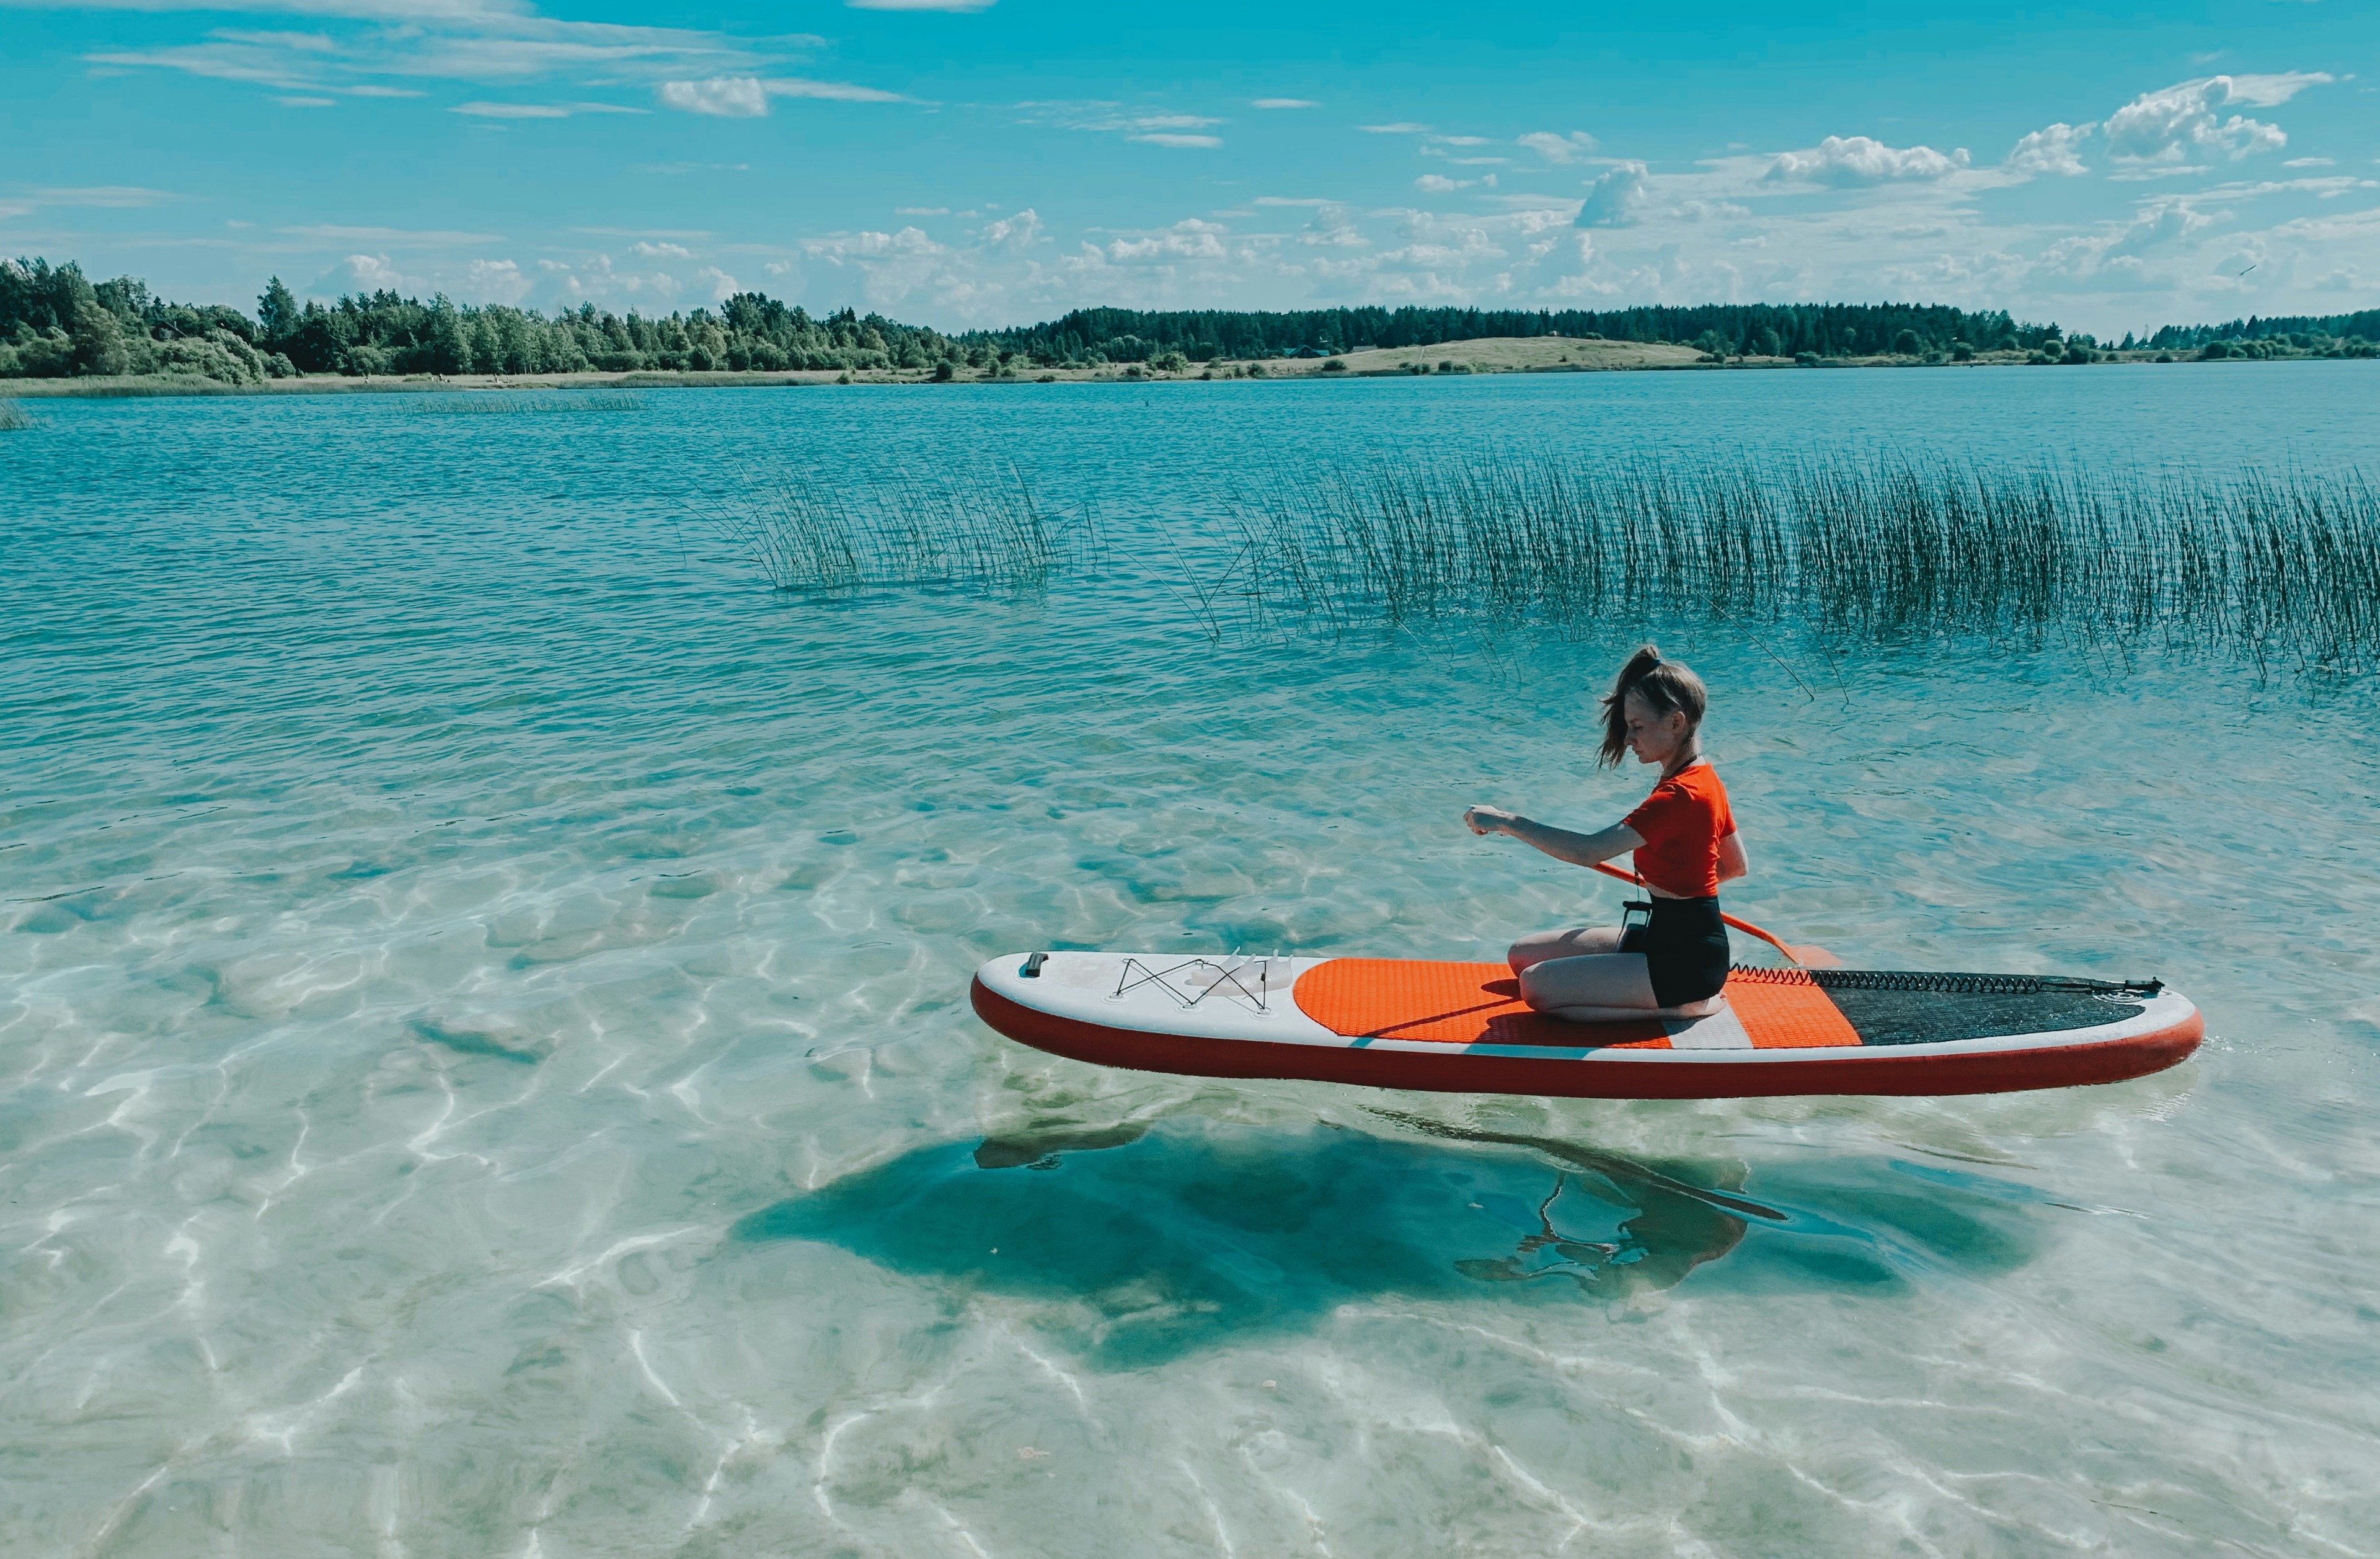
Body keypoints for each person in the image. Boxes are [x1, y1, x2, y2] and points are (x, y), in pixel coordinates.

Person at [1462, 647, 1746, 1021]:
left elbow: (1588, 851)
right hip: (1668, 937)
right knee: (1522, 955)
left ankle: (1684, 1007)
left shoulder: (1680, 795)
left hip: (1686, 966)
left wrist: (1507, 821)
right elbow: (1737, 865)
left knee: (1536, 987)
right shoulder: (1703, 776)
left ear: (1676, 723)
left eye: (1638, 727)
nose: (1629, 738)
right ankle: (1666, 992)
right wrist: (1679, 890)